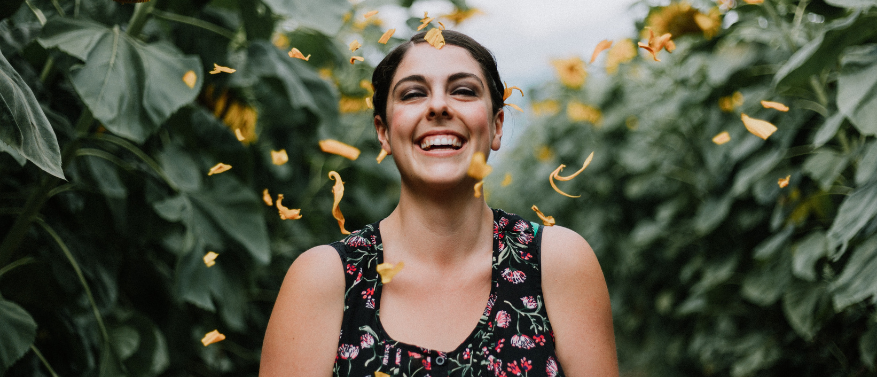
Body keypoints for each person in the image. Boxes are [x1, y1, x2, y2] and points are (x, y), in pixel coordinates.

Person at [260, 30, 618, 377]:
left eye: (463, 91)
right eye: (413, 94)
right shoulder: (323, 280)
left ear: (496, 126)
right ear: (383, 132)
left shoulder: (557, 262)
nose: (438, 106)